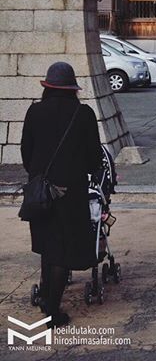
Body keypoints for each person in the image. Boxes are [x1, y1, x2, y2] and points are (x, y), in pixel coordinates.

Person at [20, 62, 103, 326]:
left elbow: (26, 153)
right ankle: (52, 311)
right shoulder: (84, 114)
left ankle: (47, 297)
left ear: (48, 87)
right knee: (62, 251)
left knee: (48, 246)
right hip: (70, 192)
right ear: (71, 89)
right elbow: (94, 158)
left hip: (41, 192)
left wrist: (38, 176)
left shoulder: (34, 112)